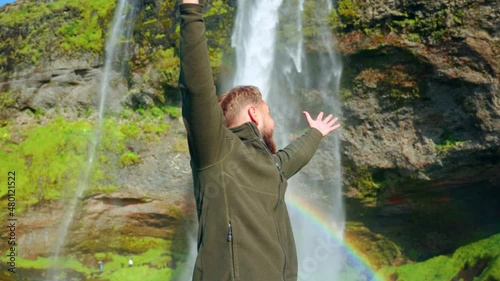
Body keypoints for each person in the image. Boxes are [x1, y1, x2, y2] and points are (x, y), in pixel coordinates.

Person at [178, 1, 341, 280]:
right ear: (254, 113)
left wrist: (315, 133)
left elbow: (290, 159)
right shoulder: (217, 151)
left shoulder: (269, 167)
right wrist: (191, 10)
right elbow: (197, 88)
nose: (274, 121)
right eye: (270, 112)